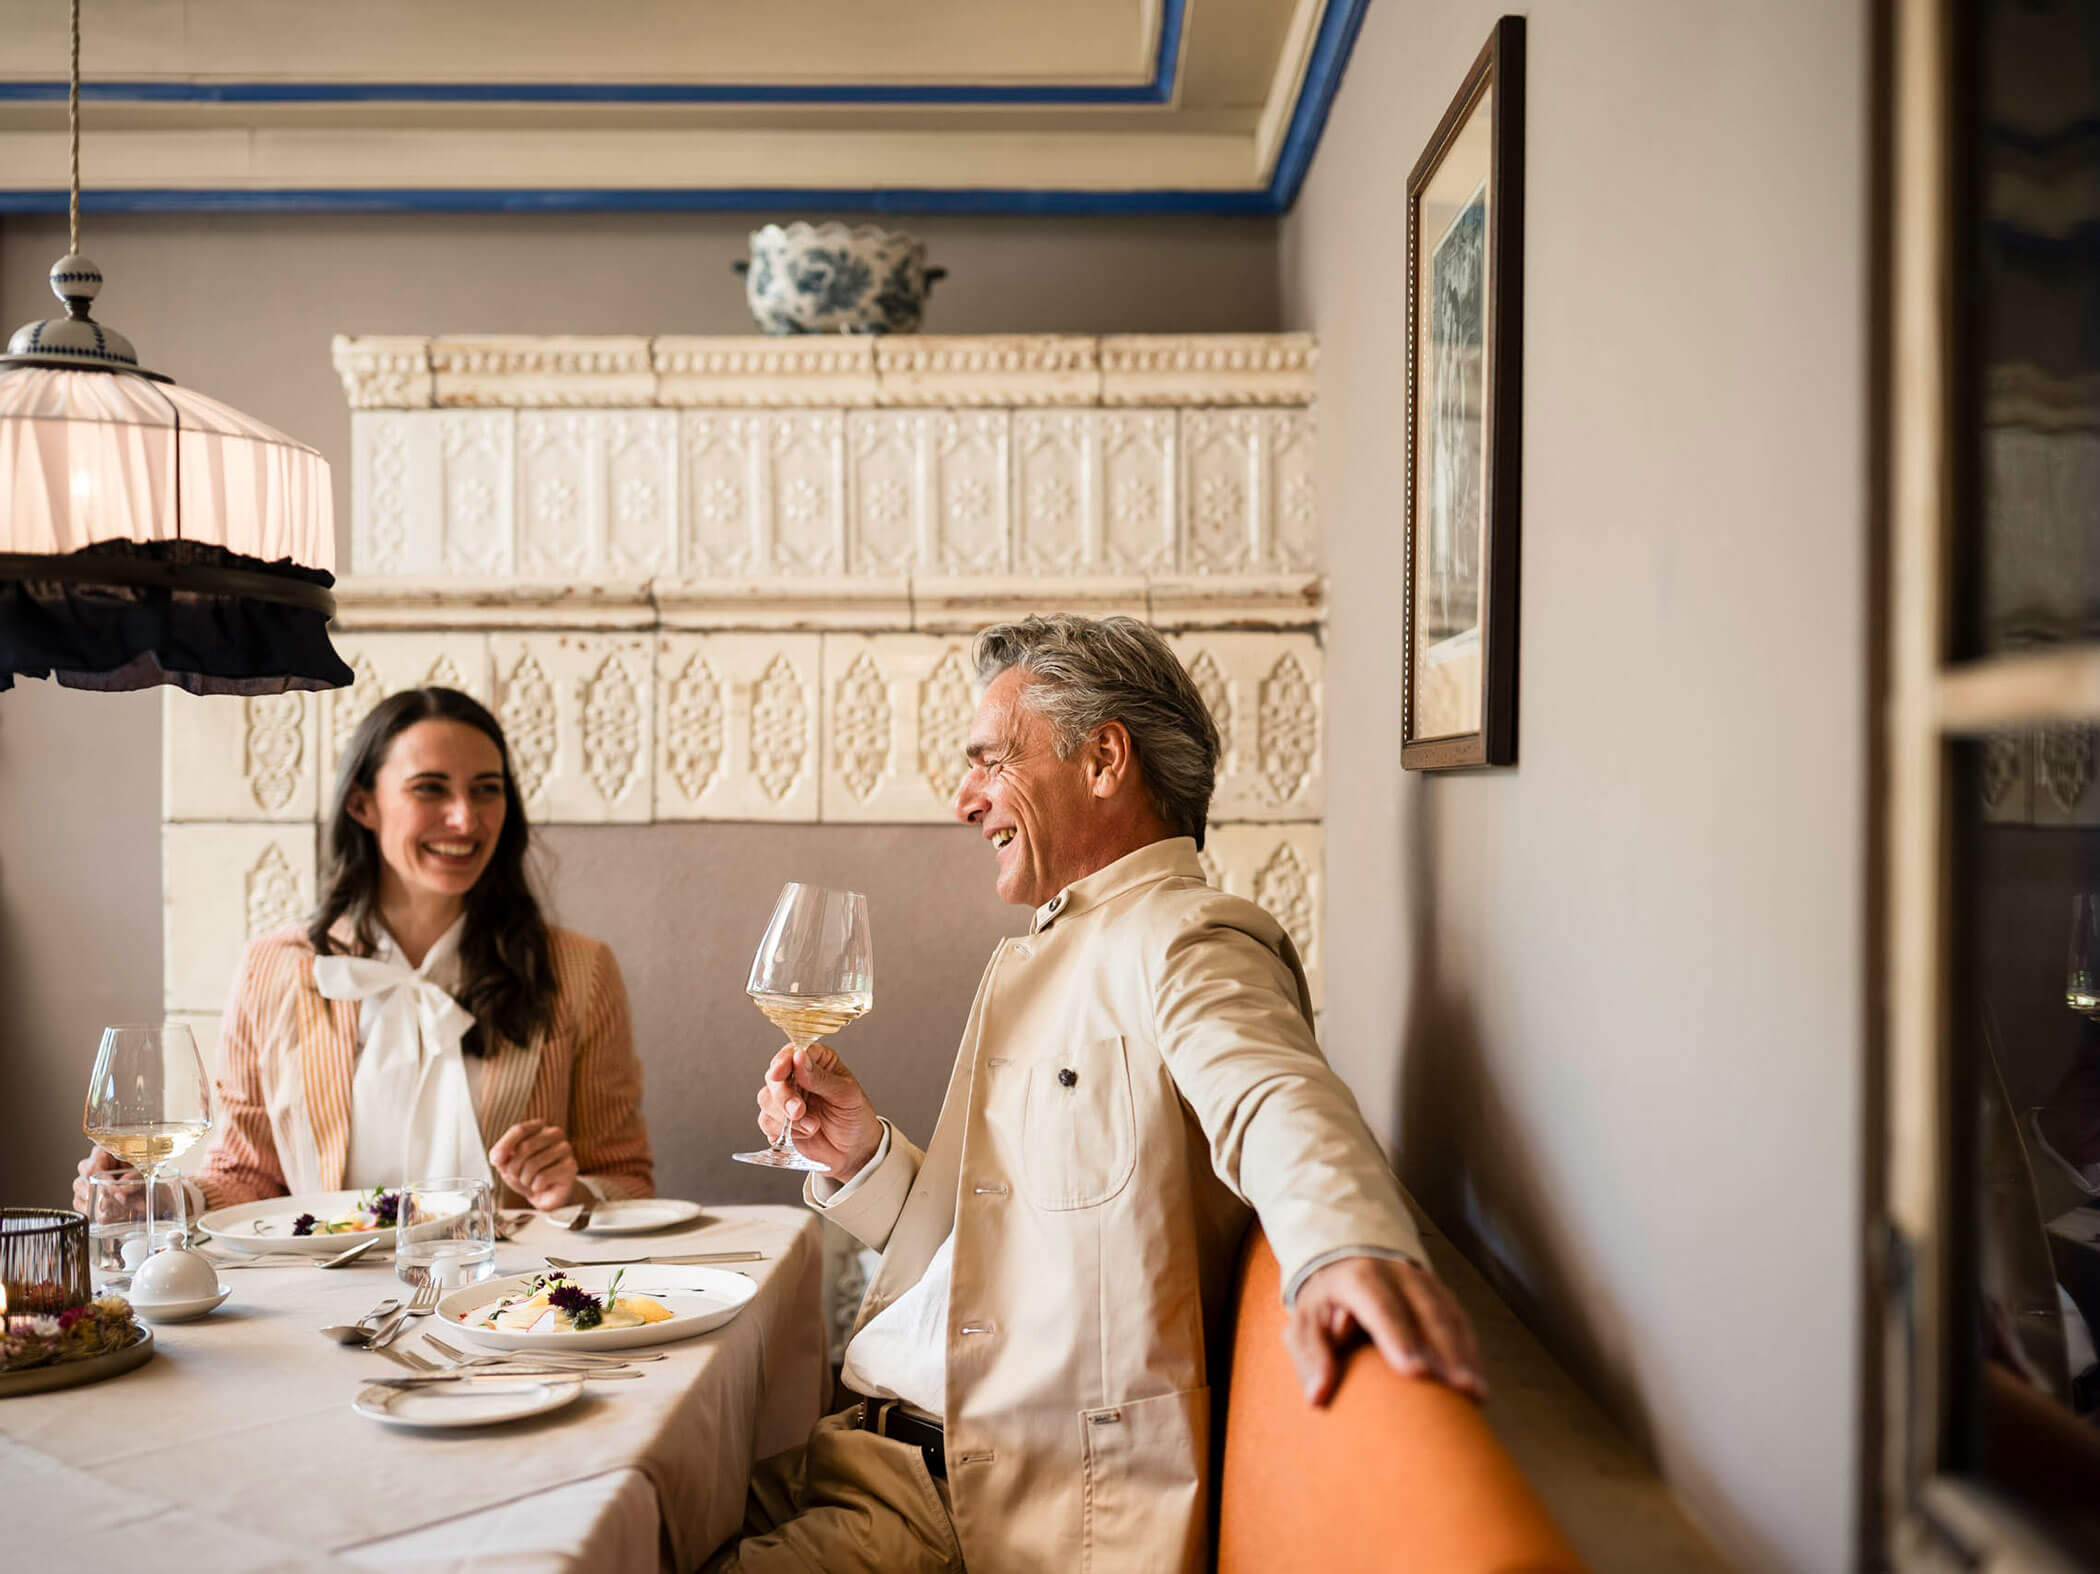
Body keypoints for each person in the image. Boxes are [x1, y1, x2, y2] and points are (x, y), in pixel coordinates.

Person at [714, 615, 1482, 1573]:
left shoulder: (1186, 939)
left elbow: (1272, 1094)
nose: (964, 800)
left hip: (969, 1505)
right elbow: (1003, 1243)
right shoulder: (1058, 946)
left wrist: (1344, 1248)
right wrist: (863, 1157)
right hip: (857, 1453)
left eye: (991, 761)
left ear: (1105, 760)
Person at [74, 687, 653, 1216]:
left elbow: (628, 1179)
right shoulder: (276, 967)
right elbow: (249, 1175)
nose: (465, 818)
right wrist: (161, 1199)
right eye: (430, 788)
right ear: (362, 804)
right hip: (322, 1293)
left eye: (486, 789)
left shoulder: (578, 970)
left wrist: (572, 1193)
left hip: (507, 1292)